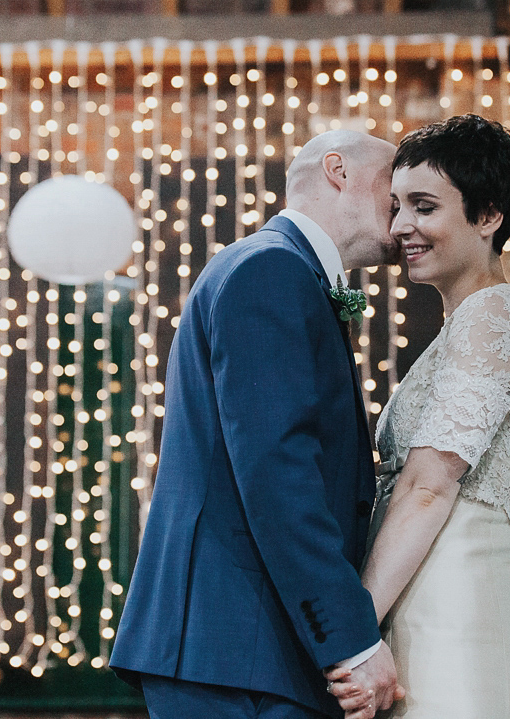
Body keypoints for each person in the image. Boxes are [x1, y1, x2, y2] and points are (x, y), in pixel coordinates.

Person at [110, 130, 405, 718]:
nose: (400, 205)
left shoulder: (278, 269)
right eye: (391, 184)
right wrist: (351, 637)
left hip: (247, 647)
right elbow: (278, 471)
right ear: (338, 171)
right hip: (237, 648)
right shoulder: (271, 269)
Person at [326, 114, 510, 719]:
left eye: (423, 207)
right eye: (396, 206)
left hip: (453, 624)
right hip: (426, 611)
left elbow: (429, 487)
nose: (401, 227)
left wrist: (351, 633)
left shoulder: (494, 316)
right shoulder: (472, 322)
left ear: (488, 216)